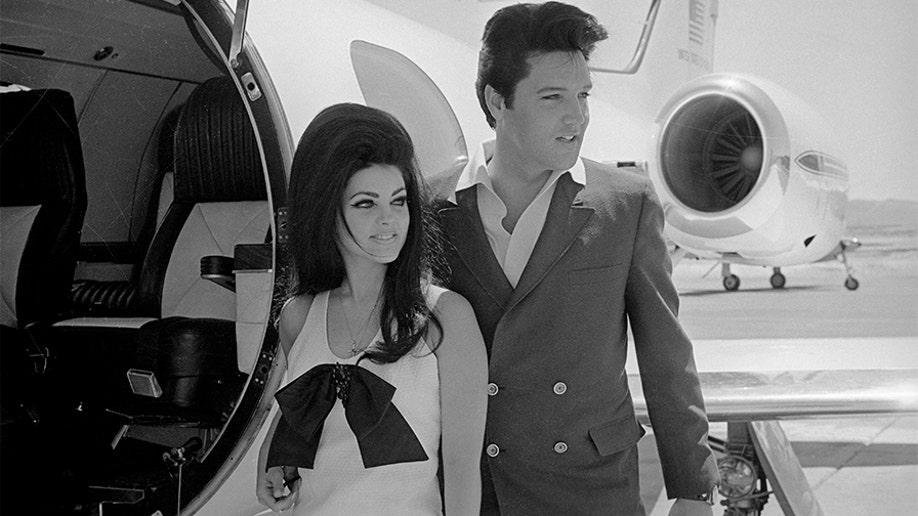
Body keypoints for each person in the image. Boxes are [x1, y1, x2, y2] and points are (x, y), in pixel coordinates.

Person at [430, 2, 719, 515]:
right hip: (473, 493)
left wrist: (693, 491)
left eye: (583, 95)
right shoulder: (431, 208)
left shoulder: (626, 204)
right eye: (552, 97)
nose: (577, 116)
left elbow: (666, 357)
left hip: (591, 490)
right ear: (497, 102)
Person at [256, 103, 488, 515]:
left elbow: (463, 469)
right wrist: (269, 463)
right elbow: (301, 415)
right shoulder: (298, 316)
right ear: (325, 210)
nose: (390, 221)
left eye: (398, 202)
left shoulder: (445, 318)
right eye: (366, 204)